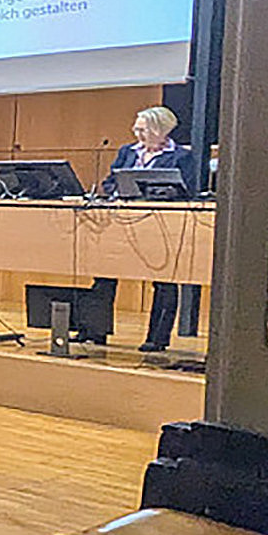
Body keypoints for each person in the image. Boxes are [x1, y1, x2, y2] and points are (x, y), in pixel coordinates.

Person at [98, 104, 201, 353]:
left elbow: (186, 189)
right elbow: (110, 181)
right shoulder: (127, 152)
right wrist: (115, 190)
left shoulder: (181, 157)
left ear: (161, 130)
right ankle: (94, 331)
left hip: (162, 225)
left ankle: (157, 338)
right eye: (136, 129)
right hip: (123, 220)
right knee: (102, 271)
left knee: (164, 280)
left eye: (143, 130)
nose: (138, 134)